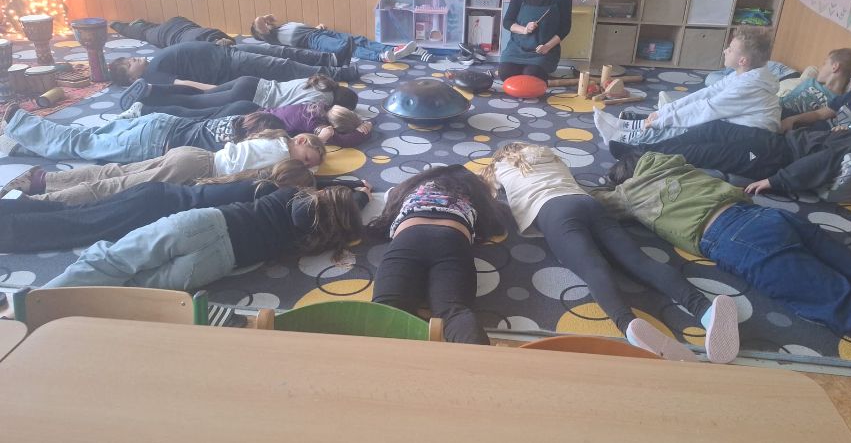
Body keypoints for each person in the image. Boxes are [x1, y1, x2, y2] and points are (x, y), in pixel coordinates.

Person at [595, 151, 851, 357]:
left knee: (841, 305)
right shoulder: (676, 164)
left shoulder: (629, 193)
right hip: (768, 216)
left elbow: (593, 204)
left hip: (735, 239)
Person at [481, 143, 739, 362]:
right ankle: (704, 309)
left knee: (593, 268)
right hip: (587, 202)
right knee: (638, 260)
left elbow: (485, 190)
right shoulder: (548, 154)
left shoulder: (500, 167)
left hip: (551, 212)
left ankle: (628, 324)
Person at [42, 184, 369, 291]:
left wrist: (359, 193)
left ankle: (39, 301)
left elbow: (318, 204)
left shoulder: (296, 197)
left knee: (114, 260)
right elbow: (340, 209)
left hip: (206, 224)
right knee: (134, 289)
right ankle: (70, 314)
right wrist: (360, 200)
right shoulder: (317, 239)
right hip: (220, 262)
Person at [0, 159, 317, 252]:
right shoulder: (265, 194)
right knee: (79, 226)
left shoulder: (257, 179)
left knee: (79, 213)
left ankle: (12, 208)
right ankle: (9, 230)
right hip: (150, 209)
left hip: (154, 195)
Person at [609, 109, 851, 197]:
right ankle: (644, 149)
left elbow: (823, 160)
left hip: (777, 160)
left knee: (706, 152)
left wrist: (776, 180)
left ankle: (639, 161)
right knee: (713, 128)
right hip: (779, 144)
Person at [366, 165, 505, 345]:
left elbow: (388, 197)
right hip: (452, 238)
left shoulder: (410, 189)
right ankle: (480, 361)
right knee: (453, 311)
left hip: (409, 237)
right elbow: (496, 224)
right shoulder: (471, 193)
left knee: (387, 308)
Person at [1, 130, 326, 204]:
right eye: (306, 158)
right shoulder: (281, 151)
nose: (304, 165)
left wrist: (320, 138)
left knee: (115, 172)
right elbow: (289, 174)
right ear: (300, 140)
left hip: (194, 155)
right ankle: (39, 202)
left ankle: (43, 179)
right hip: (197, 168)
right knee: (118, 186)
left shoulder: (273, 136)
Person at [594, 26, 780, 145]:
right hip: (735, 125)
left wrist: (661, 121)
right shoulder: (742, 75)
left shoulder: (748, 86)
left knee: (693, 125)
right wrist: (665, 111)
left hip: (751, 137)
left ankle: (626, 138)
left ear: (743, 61)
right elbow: (707, 93)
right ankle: (628, 126)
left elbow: (706, 109)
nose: (725, 51)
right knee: (681, 116)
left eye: (730, 49)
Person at [0, 103, 286, 163]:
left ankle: (19, 144)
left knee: (93, 133)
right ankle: (20, 121)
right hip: (153, 143)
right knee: (84, 144)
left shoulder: (239, 118)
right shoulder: (240, 148)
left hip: (161, 120)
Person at [107, 41, 359, 87]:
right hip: (227, 66)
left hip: (225, 51)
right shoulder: (151, 76)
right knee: (281, 66)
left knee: (278, 50)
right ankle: (337, 73)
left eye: (129, 58)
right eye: (128, 65)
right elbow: (182, 83)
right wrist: (217, 90)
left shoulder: (152, 63)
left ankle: (332, 58)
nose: (133, 59)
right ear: (132, 79)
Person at [110, 16, 337, 65]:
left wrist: (116, 25)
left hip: (178, 31)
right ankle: (134, 24)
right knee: (145, 30)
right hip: (182, 27)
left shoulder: (195, 43)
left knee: (144, 31)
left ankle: (131, 24)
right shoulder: (203, 39)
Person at [116, 75, 358, 119]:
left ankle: (152, 90)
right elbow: (297, 114)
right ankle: (147, 102)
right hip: (249, 96)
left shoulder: (323, 82)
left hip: (252, 82)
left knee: (203, 94)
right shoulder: (321, 103)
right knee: (195, 103)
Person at [499, 0, 572, 82]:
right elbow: (507, 22)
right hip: (517, 49)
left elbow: (565, 28)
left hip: (544, 51)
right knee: (505, 74)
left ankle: (535, 75)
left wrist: (547, 46)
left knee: (531, 76)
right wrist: (524, 29)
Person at [251, 14, 419, 64]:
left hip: (319, 33)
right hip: (312, 41)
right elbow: (258, 23)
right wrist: (264, 18)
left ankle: (390, 50)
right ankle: (381, 57)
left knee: (358, 39)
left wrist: (317, 27)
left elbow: (303, 30)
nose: (267, 24)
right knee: (346, 46)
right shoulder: (272, 38)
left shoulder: (283, 27)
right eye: (264, 27)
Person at [779, 48, 851, 121]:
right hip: (779, 108)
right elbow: (785, 100)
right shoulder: (811, 82)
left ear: (835, 67)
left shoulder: (837, 102)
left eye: (824, 63)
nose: (820, 68)